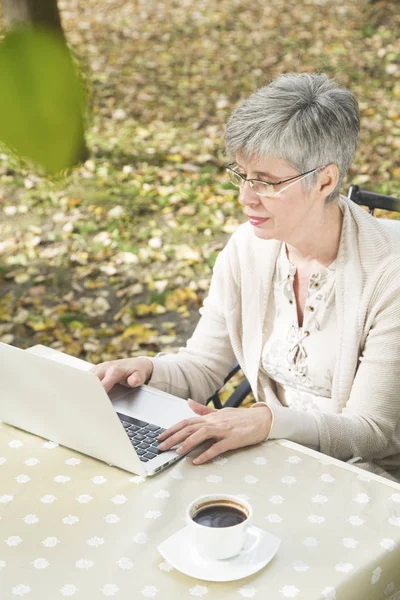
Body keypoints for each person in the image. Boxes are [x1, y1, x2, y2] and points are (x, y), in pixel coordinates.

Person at [92, 72, 400, 481]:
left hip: (366, 479)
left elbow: (374, 432)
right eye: (241, 175)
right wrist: (146, 371)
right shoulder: (247, 249)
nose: (245, 197)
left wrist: (267, 421)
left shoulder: (388, 273)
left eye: (266, 182)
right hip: (271, 458)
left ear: (325, 180)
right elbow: (202, 367)